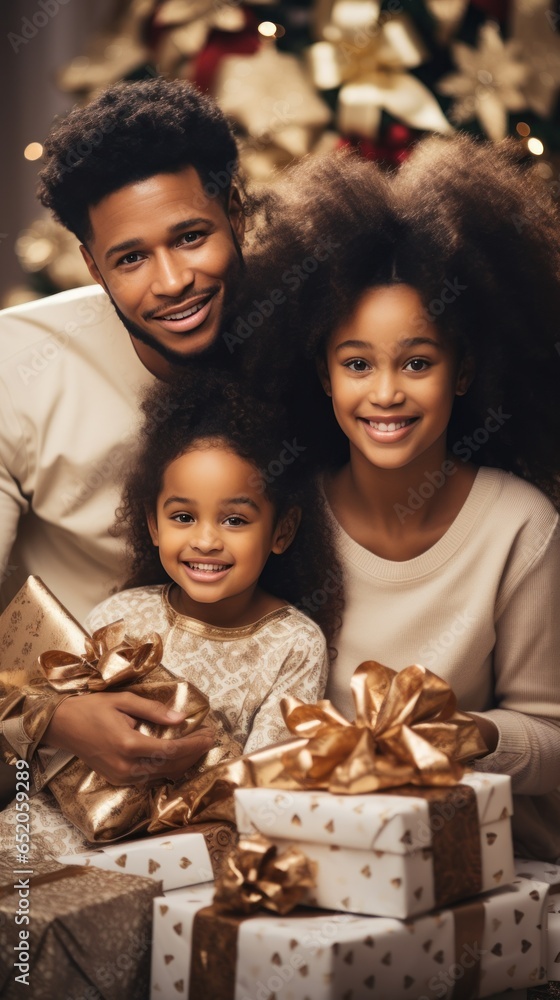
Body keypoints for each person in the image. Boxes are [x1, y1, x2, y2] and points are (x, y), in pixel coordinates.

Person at [244, 136, 560, 861]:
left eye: (417, 362)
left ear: (464, 369)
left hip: (485, 876)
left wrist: (471, 734)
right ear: (324, 374)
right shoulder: (286, 519)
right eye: (358, 363)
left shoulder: (521, 528)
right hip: (322, 862)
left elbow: (552, 740)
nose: (385, 393)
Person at [0, 77, 253, 794]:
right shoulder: (15, 369)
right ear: (90, 263)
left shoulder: (308, 340)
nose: (172, 281)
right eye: (131, 257)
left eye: (192, 236)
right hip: (64, 767)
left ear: (234, 211)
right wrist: (52, 715)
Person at [0, 373, 339, 854]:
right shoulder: (122, 613)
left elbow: (262, 795)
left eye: (235, 519)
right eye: (183, 517)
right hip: (39, 824)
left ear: (282, 530)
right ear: (152, 523)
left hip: (170, 852)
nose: (205, 539)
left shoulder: (295, 644)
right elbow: (27, 734)